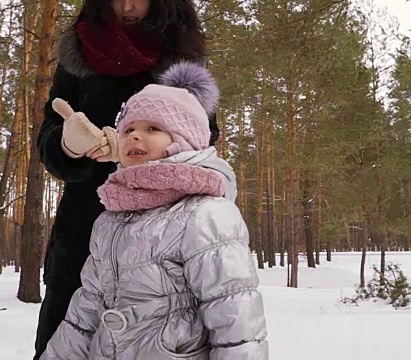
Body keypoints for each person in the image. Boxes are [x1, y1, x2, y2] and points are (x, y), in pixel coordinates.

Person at [40, 62, 268, 359]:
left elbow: (235, 319)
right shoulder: (111, 218)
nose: (134, 136)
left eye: (153, 128)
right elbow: (83, 315)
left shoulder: (205, 214)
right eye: (128, 129)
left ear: (183, 141)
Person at [34, 0, 220, 358]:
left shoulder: (182, 55)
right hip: (84, 231)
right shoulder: (78, 53)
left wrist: (138, 151)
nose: (128, 6)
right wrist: (69, 145)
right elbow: (51, 136)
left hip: (164, 236)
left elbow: (204, 135)